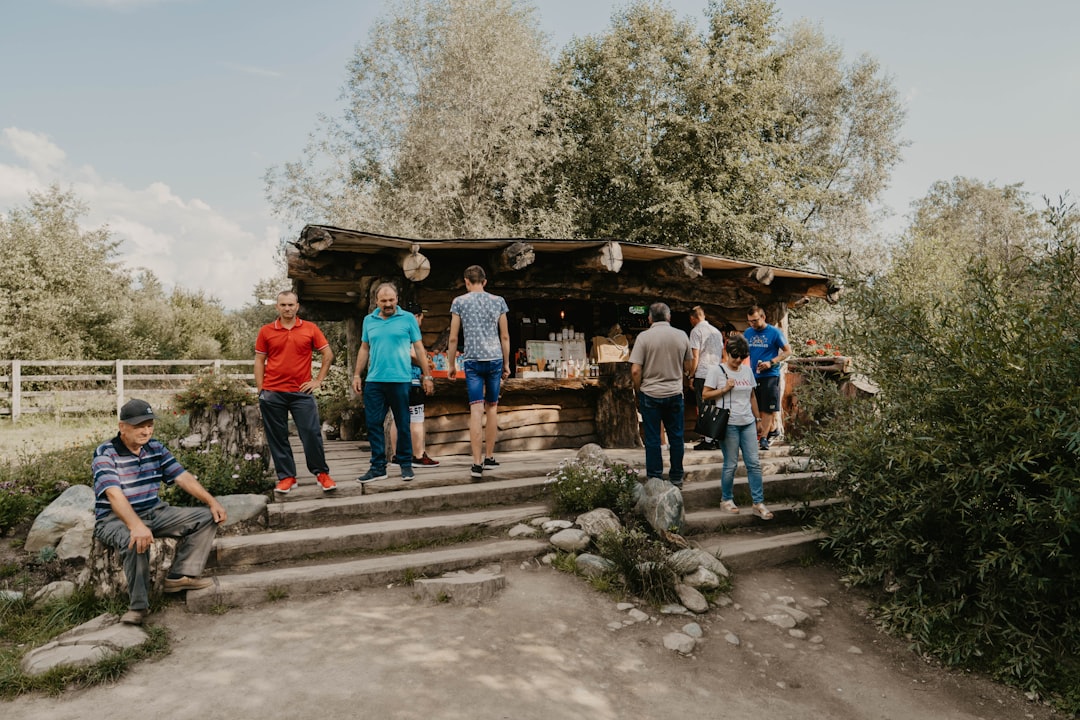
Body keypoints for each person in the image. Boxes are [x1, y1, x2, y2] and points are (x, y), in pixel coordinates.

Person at [93, 398, 227, 625]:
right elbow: (114, 494)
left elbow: (181, 476)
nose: (146, 431)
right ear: (122, 426)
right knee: (135, 541)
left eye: (149, 425)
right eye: (139, 426)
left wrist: (211, 501)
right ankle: (138, 607)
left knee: (206, 517)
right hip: (114, 519)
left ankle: (180, 576)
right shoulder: (105, 453)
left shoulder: (155, 448)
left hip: (154, 511)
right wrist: (135, 526)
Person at [255, 290, 338, 494]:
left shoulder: (310, 329)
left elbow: (328, 354)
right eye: (283, 305)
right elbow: (259, 360)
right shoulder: (266, 331)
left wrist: (317, 380)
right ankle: (287, 477)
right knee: (278, 436)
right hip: (273, 392)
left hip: (302, 392)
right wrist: (261, 390)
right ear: (277, 307)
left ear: (297, 306)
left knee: (311, 433)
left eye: (291, 304)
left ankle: (321, 473)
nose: (287, 308)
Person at [353, 283, 435, 484]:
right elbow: (364, 348)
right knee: (373, 424)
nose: (388, 304)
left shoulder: (408, 318)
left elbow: (419, 347)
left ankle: (405, 465)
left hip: (400, 380)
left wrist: (427, 376)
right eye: (384, 301)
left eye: (391, 300)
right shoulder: (368, 320)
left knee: (403, 424)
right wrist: (357, 375)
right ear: (377, 301)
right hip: (374, 381)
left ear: (397, 299)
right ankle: (378, 467)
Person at [447, 265, 510, 481]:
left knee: (476, 410)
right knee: (492, 408)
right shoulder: (498, 301)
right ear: (484, 281)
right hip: (494, 359)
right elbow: (505, 337)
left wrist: (451, 364)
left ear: (466, 281)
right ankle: (490, 457)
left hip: (472, 361)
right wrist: (507, 363)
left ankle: (476, 463)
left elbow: (454, 337)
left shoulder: (459, 302)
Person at [702, 336, 773, 520]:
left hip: (747, 421)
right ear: (727, 352)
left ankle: (758, 503)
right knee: (731, 464)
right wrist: (724, 389)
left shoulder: (747, 371)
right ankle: (726, 499)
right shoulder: (716, 371)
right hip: (729, 423)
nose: (738, 360)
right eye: (735, 356)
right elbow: (705, 395)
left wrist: (758, 419)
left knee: (754, 464)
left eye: (742, 356)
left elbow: (752, 396)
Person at [630, 302, 693, 488]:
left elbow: (635, 370)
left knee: (653, 439)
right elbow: (689, 366)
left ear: (649, 318)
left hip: (650, 393)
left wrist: (638, 389)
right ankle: (676, 477)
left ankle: (655, 478)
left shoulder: (644, 337)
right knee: (676, 437)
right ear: (669, 317)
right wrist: (683, 376)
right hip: (674, 392)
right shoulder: (681, 336)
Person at [387, 302, 440, 467]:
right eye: (421, 317)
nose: (421, 321)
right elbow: (411, 354)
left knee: (397, 418)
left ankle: (397, 456)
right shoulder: (410, 330)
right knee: (417, 419)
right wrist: (426, 366)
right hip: (412, 381)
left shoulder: (393, 330)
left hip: (395, 380)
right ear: (416, 316)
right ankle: (417, 456)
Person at [744, 305, 791, 451]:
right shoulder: (748, 333)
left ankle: (763, 438)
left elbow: (787, 351)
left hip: (770, 375)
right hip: (753, 374)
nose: (753, 324)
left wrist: (771, 362)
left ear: (763, 317)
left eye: (755, 321)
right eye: (750, 321)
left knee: (767, 408)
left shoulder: (774, 332)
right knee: (756, 407)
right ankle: (772, 430)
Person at [687, 306, 726, 451]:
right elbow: (722, 353)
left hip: (703, 373)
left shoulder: (696, 331)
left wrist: (691, 374)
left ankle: (707, 439)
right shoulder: (716, 331)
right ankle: (716, 437)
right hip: (716, 372)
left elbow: (695, 356)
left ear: (693, 318)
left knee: (703, 406)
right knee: (715, 405)